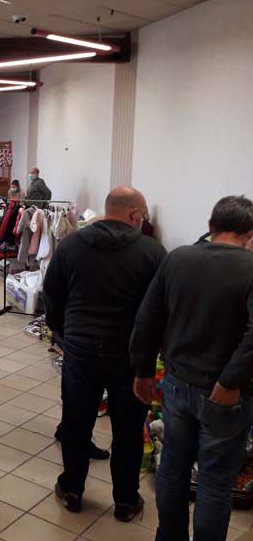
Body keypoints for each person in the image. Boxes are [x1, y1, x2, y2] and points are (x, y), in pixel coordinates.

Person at [130, 195, 253, 541]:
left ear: (211, 227)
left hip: (177, 383)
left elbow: (147, 320)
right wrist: (230, 382)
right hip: (226, 396)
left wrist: (141, 372)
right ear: (250, 232)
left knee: (173, 468)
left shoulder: (177, 259)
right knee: (215, 481)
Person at [43, 187, 166, 520]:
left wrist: (64, 334)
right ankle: (126, 501)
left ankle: (72, 490)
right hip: (131, 355)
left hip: (81, 349)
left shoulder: (71, 246)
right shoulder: (152, 252)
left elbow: (50, 294)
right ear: (134, 215)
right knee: (127, 429)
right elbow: (161, 309)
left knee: (77, 421)